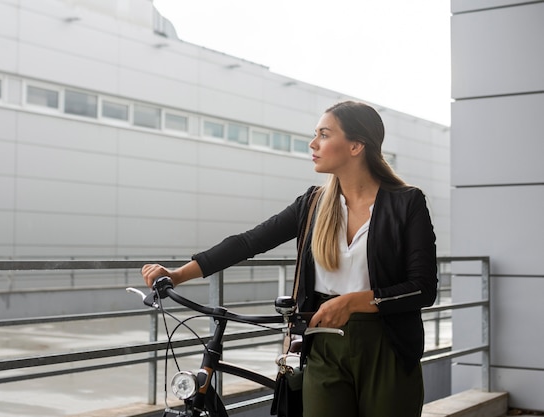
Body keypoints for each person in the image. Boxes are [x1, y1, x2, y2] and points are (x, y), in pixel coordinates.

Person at [141, 100, 437, 417]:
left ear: (356, 145)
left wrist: (352, 302)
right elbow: (248, 242)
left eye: (324, 134)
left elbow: (422, 288)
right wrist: (178, 274)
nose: (313, 143)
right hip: (321, 344)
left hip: (387, 346)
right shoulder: (312, 204)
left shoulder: (407, 203)